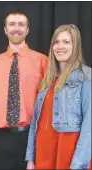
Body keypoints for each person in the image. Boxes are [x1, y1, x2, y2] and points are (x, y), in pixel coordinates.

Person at [0, 11, 48, 169]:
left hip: (30, 138)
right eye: (12, 24)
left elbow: (49, 101)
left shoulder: (42, 61)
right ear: (5, 29)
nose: (16, 28)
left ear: (27, 29)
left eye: (21, 24)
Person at [26, 24, 91, 169]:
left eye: (66, 42)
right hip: (43, 154)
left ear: (76, 46)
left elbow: (89, 127)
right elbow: (35, 123)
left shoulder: (86, 77)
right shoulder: (46, 81)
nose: (59, 46)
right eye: (56, 42)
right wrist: (30, 159)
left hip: (69, 155)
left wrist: (78, 164)